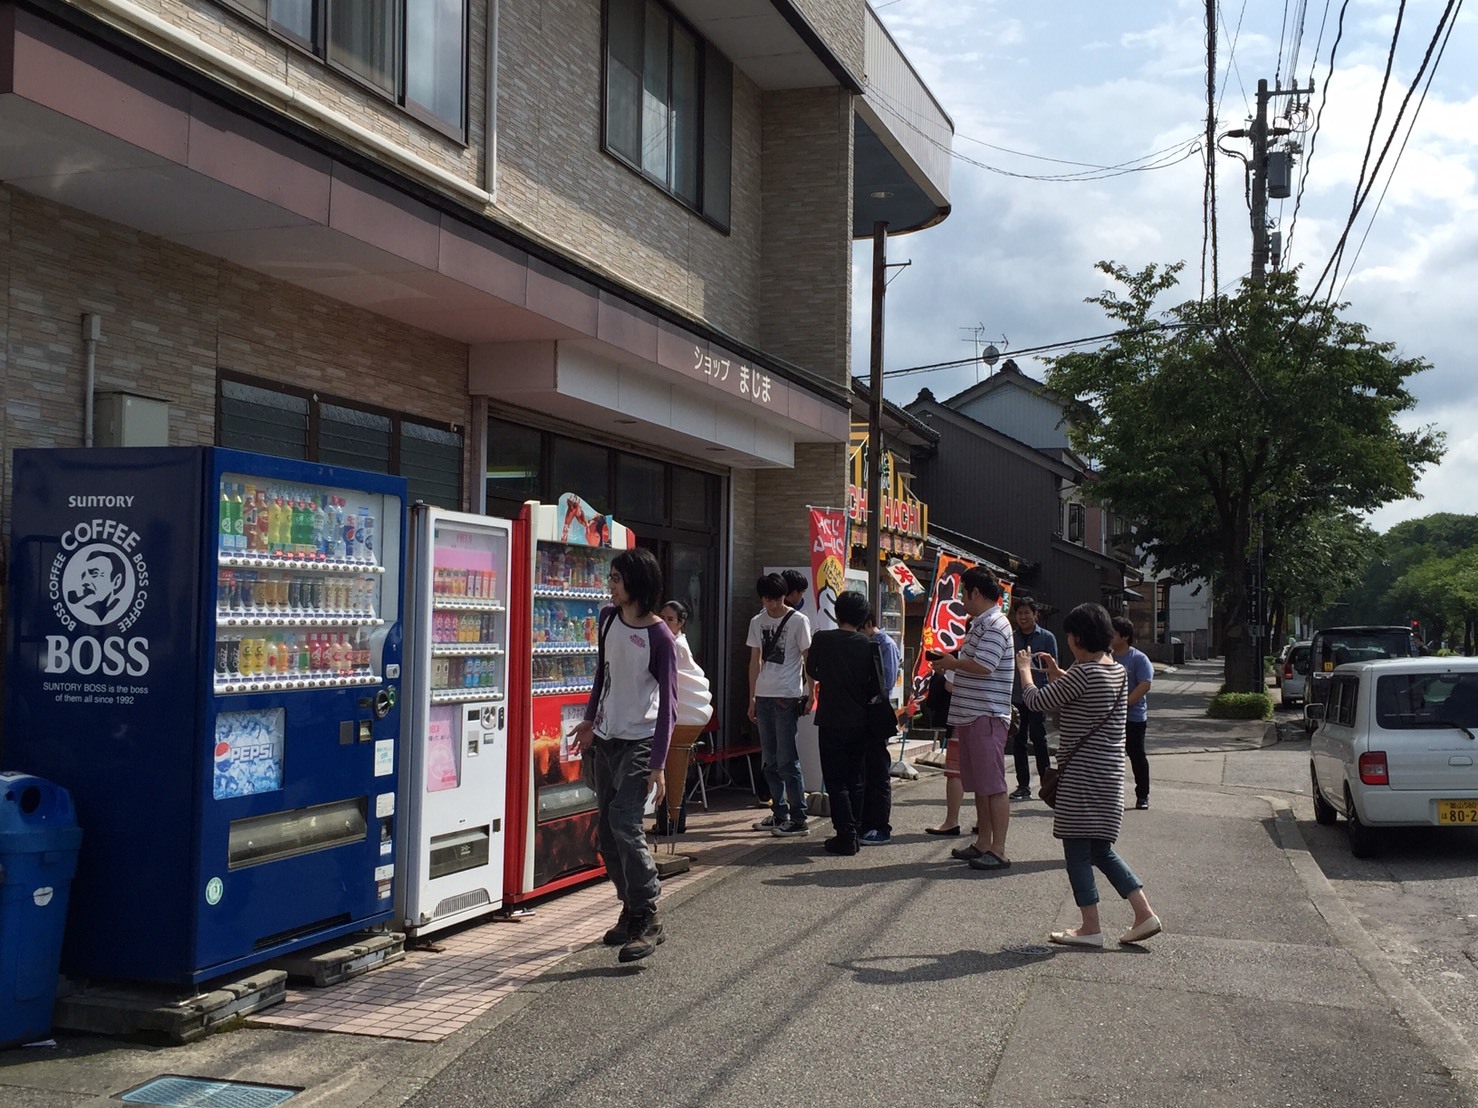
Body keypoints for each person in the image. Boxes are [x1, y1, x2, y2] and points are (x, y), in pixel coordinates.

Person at [1016, 602, 1161, 948]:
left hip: (1081, 777)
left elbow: (1036, 701)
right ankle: (1144, 914)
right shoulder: (1116, 671)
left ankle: (1090, 927)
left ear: (1078, 637)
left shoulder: (1083, 673)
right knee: (1100, 850)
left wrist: (1025, 669)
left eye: (1069, 634)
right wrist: (1056, 671)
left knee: (1077, 852)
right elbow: (1085, 690)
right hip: (1109, 776)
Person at [568, 548, 678, 963]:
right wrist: (590, 720)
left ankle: (647, 914)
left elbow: (669, 703)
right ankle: (631, 907)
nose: (610, 585)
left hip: (642, 741)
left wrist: (659, 764)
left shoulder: (659, 636)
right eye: (610, 577)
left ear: (636, 584)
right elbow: (603, 673)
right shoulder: (607, 619)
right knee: (605, 834)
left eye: (616, 578)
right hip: (607, 740)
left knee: (624, 823)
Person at [930, 568, 1015, 870]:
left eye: (963, 593)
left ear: (975, 593)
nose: (962, 600)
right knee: (981, 784)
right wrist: (952, 661)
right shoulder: (984, 623)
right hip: (973, 714)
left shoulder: (993, 623)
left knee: (992, 785)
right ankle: (984, 844)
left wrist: (953, 662)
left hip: (985, 714)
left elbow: (985, 665)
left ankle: (999, 849)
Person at [805, 591, 886, 855]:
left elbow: (812, 671)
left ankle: (845, 833)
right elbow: (877, 686)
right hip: (860, 720)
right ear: (863, 617)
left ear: (837, 613)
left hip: (831, 718)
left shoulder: (822, 639)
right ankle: (856, 829)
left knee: (835, 779)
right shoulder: (868, 645)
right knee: (856, 778)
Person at [747, 573, 814, 836]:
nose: (769, 604)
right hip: (763, 695)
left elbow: (809, 658)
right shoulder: (757, 620)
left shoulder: (799, 621)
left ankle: (799, 818)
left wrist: (812, 692)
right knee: (770, 761)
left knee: (788, 760)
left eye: (774, 598)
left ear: (783, 595)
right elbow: (754, 660)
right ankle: (779, 812)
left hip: (787, 695)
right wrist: (751, 697)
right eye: (764, 598)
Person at [653, 600, 714, 834]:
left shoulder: (673, 645)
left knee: (668, 771)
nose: (665, 623)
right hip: (687, 712)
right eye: (663, 618)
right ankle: (673, 821)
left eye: (670, 619)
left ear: (681, 623)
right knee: (672, 771)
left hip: (679, 715)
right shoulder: (678, 642)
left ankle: (670, 822)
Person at [858, 613, 900, 845]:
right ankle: (865, 823)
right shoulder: (864, 643)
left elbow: (887, 682)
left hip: (877, 713)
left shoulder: (885, 644)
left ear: (866, 624)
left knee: (878, 772)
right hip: (861, 714)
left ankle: (880, 826)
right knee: (864, 770)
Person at [1010, 598, 1057, 801]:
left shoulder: (1047, 638)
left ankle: (1047, 783)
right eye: (1019, 613)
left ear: (1035, 614)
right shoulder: (1011, 637)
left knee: (1039, 738)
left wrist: (1052, 695)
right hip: (1017, 696)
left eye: (1027, 612)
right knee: (1018, 740)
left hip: (1039, 696)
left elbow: (1054, 668)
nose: (1023, 617)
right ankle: (1023, 785)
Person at [1111, 616, 1154, 810]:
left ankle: (1142, 795)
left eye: (1113, 633)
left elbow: (1145, 684)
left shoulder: (1138, 658)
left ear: (1125, 636)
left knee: (1136, 755)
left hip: (1133, 717)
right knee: (1110, 757)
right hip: (1109, 717)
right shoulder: (1106, 656)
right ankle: (1111, 796)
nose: (1108, 636)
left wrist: (1124, 703)